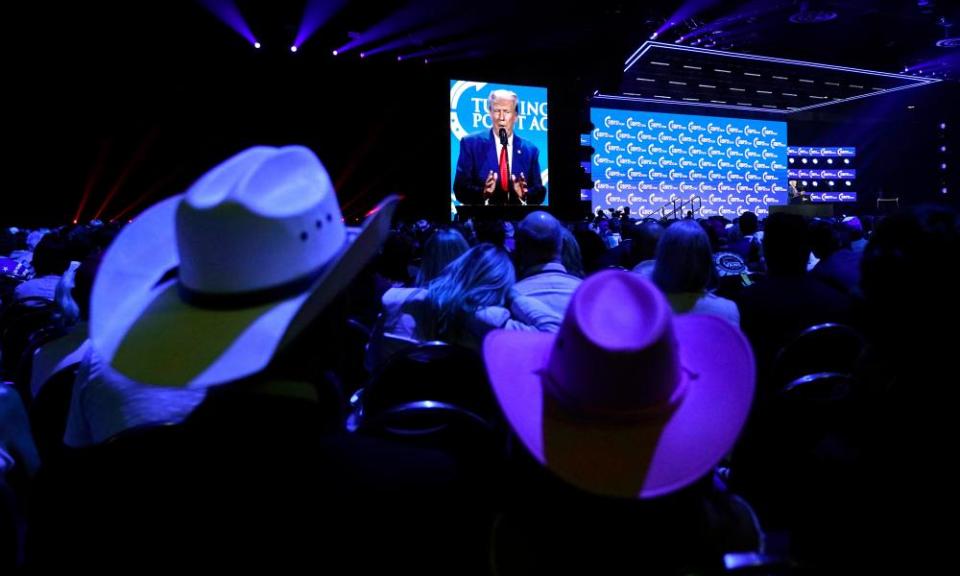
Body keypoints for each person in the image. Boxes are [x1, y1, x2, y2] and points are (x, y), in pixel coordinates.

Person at [453, 89, 545, 206]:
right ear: (490, 113)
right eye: (497, 111)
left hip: (517, 221)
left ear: (516, 116)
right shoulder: (471, 144)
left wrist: (525, 194)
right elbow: (460, 189)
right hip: (482, 220)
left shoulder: (530, 150)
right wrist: (483, 193)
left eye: (506, 111)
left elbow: (539, 192)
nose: (501, 117)